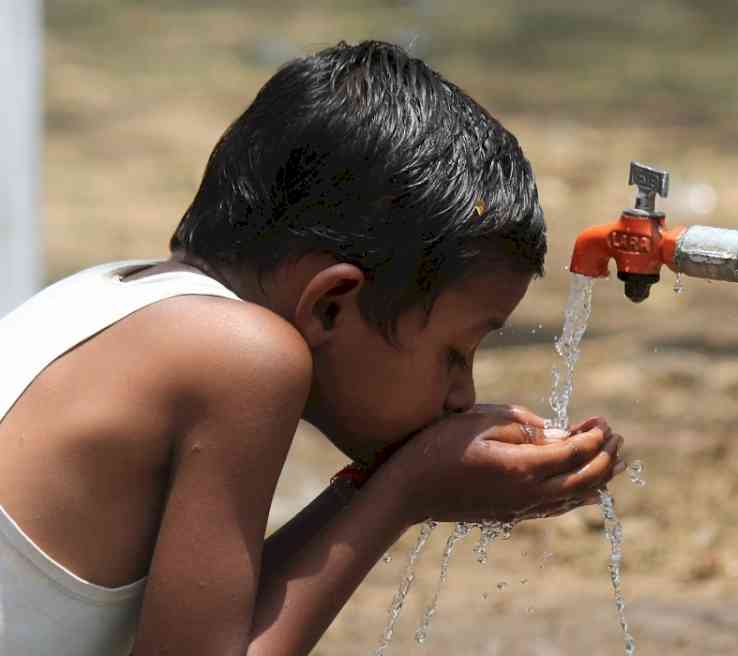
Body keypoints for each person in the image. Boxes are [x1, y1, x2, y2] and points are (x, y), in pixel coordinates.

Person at [0, 40, 624, 656]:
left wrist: (384, 483)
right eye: (455, 353)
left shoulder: (103, 298)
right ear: (331, 304)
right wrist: (405, 492)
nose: (464, 396)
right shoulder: (245, 358)